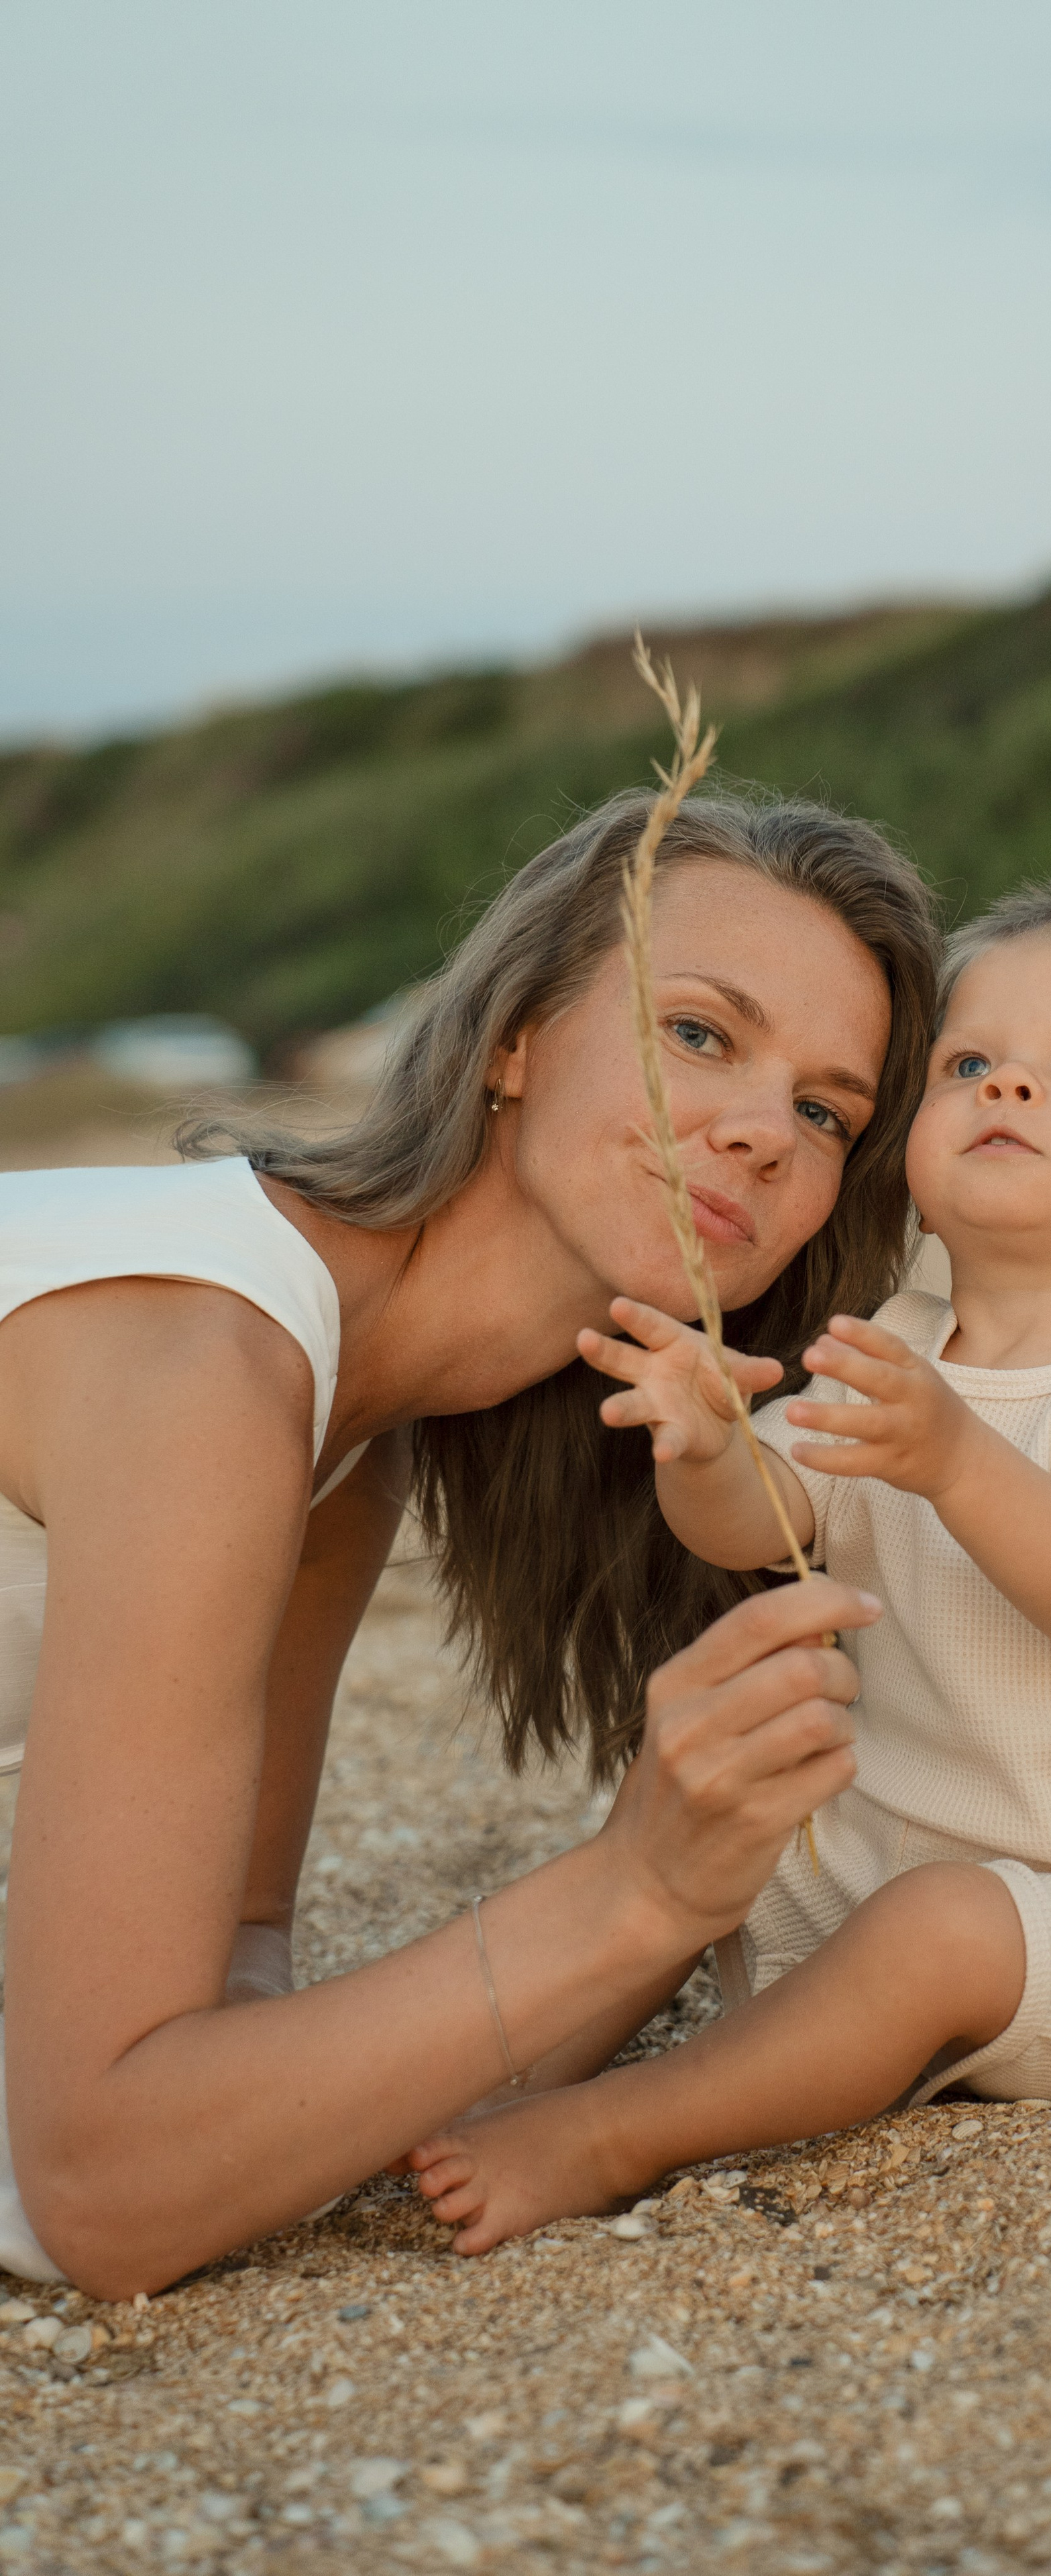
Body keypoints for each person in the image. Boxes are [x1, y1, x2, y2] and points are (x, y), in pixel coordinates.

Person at [0, 788, 940, 2297]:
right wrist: (631, 1888)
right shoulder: (211, 1369)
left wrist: (684, 1887)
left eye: (825, 1110)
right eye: (697, 1031)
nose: (764, 1129)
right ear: (512, 1040)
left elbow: (239, 2010)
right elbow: (101, 2188)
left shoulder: (347, 1422)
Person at [408, 881, 1051, 2254]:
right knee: (709, 1807)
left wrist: (955, 1460)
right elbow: (766, 1522)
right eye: (970, 1063)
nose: (1009, 1081)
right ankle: (511, 2059)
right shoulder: (896, 1348)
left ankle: (619, 2133)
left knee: (934, 1937)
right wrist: (707, 1444)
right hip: (888, 1855)